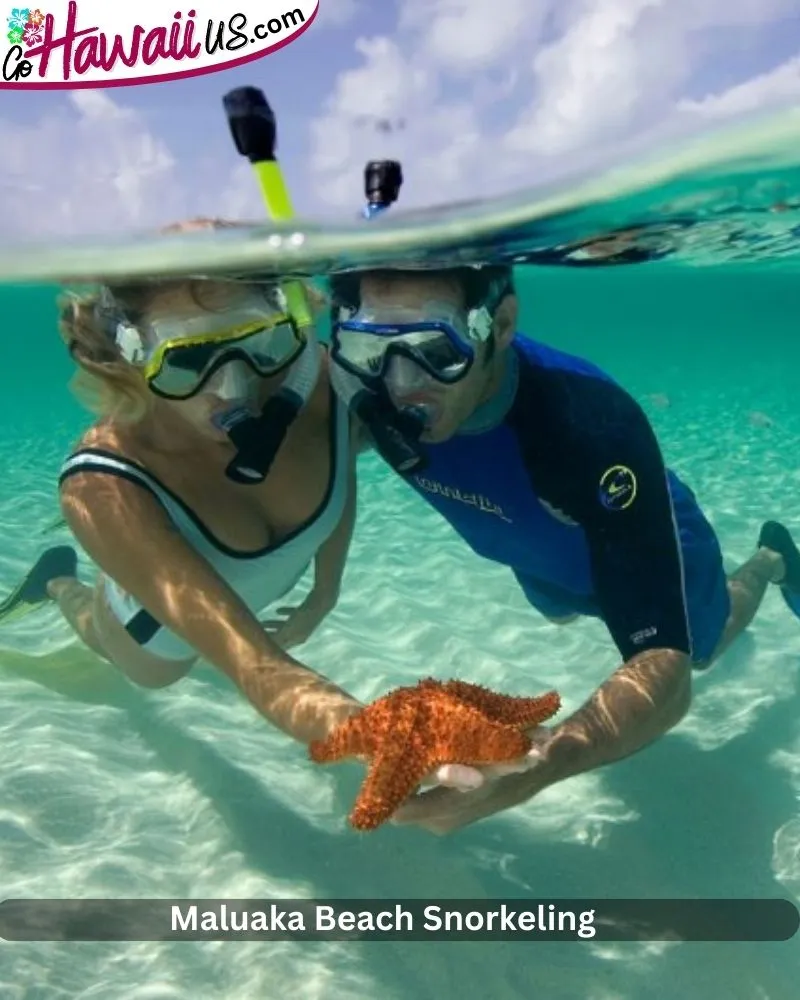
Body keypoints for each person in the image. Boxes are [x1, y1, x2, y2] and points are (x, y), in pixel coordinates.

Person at [0, 222, 540, 801]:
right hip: (152, 638)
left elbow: (339, 476)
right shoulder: (101, 488)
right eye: (187, 361)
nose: (234, 390)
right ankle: (57, 582)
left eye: (258, 343)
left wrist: (323, 592)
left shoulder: (319, 378)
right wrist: (382, 734)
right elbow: (254, 664)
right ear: (131, 356)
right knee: (135, 660)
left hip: (242, 592)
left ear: (288, 321)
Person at [327, 262, 800, 833]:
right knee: (560, 614)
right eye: (372, 348)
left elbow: (666, 677)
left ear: (499, 325)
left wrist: (528, 775)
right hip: (538, 559)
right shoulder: (358, 387)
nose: (401, 385)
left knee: (702, 648)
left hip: (644, 531)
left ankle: (771, 558)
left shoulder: (589, 428)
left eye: (434, 347)